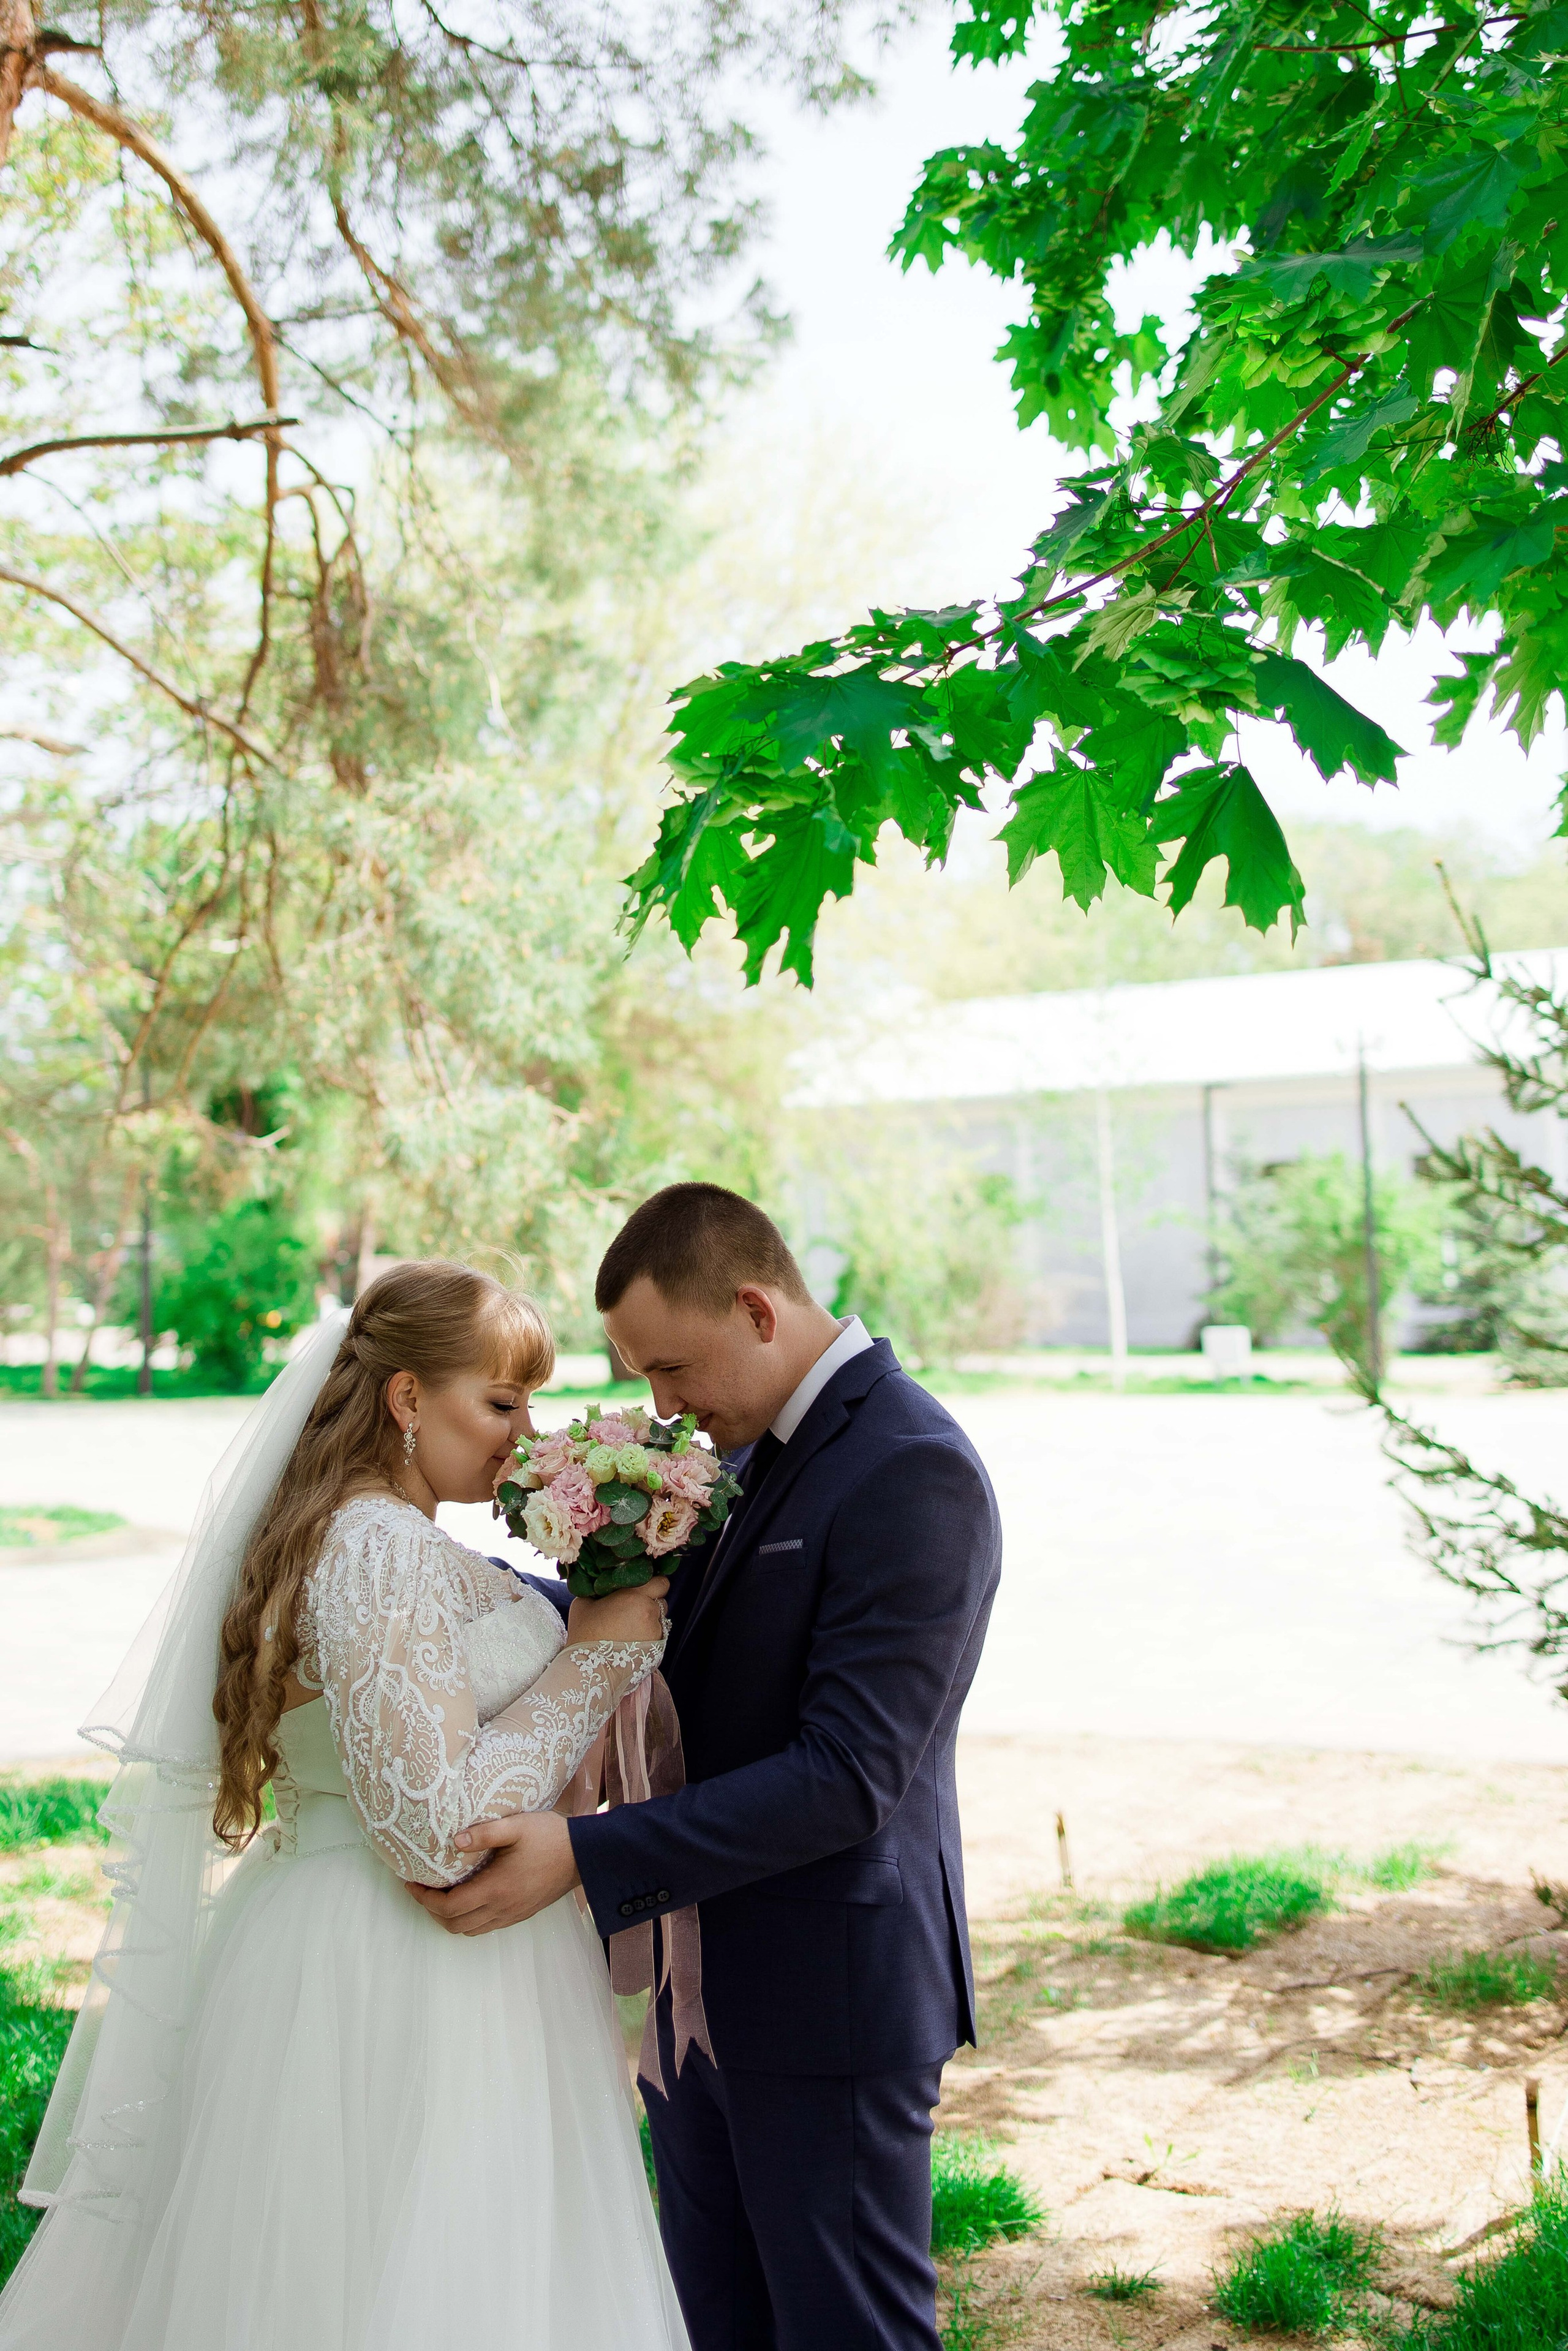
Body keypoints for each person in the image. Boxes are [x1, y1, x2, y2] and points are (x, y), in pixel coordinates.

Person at [0, 1261, 687, 2351]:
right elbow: (432, 1828)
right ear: (408, 1397)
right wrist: (595, 1661)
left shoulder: (371, 1533)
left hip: (362, 1939)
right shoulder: (375, 1547)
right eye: (500, 1401)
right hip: (397, 1972)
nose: (524, 1434)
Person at [412, 1185, 1003, 2351]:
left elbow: (848, 1775)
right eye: (644, 1377)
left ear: (756, 1309)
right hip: (691, 1990)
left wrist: (584, 1855)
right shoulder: (733, 1449)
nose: (661, 1406)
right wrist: (439, 1585)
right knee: (710, 2323)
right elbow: (643, 1627)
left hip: (827, 1996)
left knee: (847, 2331)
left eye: (671, 1368)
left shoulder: (910, 1468)